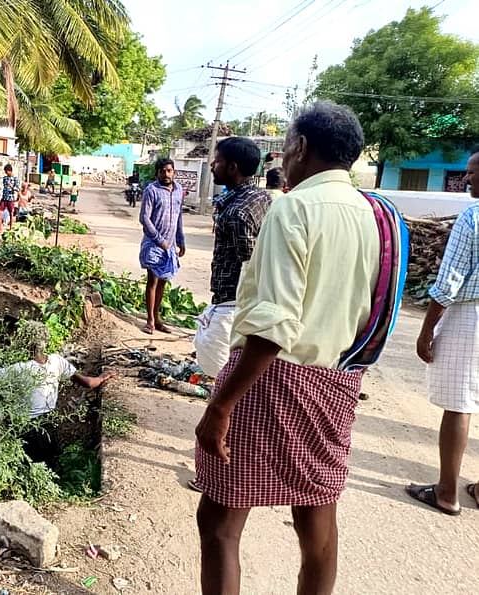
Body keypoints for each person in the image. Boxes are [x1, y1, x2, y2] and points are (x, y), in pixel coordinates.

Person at [194, 102, 391, 595]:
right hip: (336, 381)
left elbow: (273, 325)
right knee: (317, 513)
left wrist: (220, 406)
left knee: (219, 520)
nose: (282, 152)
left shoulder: (293, 207)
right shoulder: (378, 215)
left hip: (271, 377)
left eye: (286, 141)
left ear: (301, 147)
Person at [407, 148, 479, 515]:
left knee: (459, 405)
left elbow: (449, 281)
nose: (467, 179)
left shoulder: (472, 218)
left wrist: (426, 330)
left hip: (470, 317)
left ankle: (447, 492)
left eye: (472, 171)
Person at [194, 137, 272, 378]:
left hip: (232, 303)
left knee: (219, 372)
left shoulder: (237, 213)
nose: (212, 166)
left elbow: (249, 266)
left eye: (217, 162)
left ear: (232, 167)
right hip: (240, 303)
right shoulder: (261, 198)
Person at [0, 322, 116, 463]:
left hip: (25, 427)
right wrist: (102, 377)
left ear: (25, 342)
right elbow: (88, 383)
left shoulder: (19, 368)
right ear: (45, 342)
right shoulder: (57, 361)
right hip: (49, 425)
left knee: (26, 465)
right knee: (50, 463)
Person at [139, 157, 185, 335]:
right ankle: (150, 320)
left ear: (173, 172)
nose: (166, 174)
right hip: (154, 244)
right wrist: (160, 241)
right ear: (157, 173)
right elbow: (144, 219)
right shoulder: (152, 190)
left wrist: (181, 240)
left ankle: (157, 319)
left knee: (164, 282)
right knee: (153, 281)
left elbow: (179, 216)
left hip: (171, 245)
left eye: (169, 170)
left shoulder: (178, 190)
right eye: (162, 171)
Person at [0, 164, 19, 234]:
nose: (6, 173)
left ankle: (11, 228)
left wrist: (12, 186)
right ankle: (0, 228)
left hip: (10, 198)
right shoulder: (5, 178)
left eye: (6, 171)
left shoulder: (15, 179)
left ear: (9, 171)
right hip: (4, 197)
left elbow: (18, 189)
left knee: (11, 213)